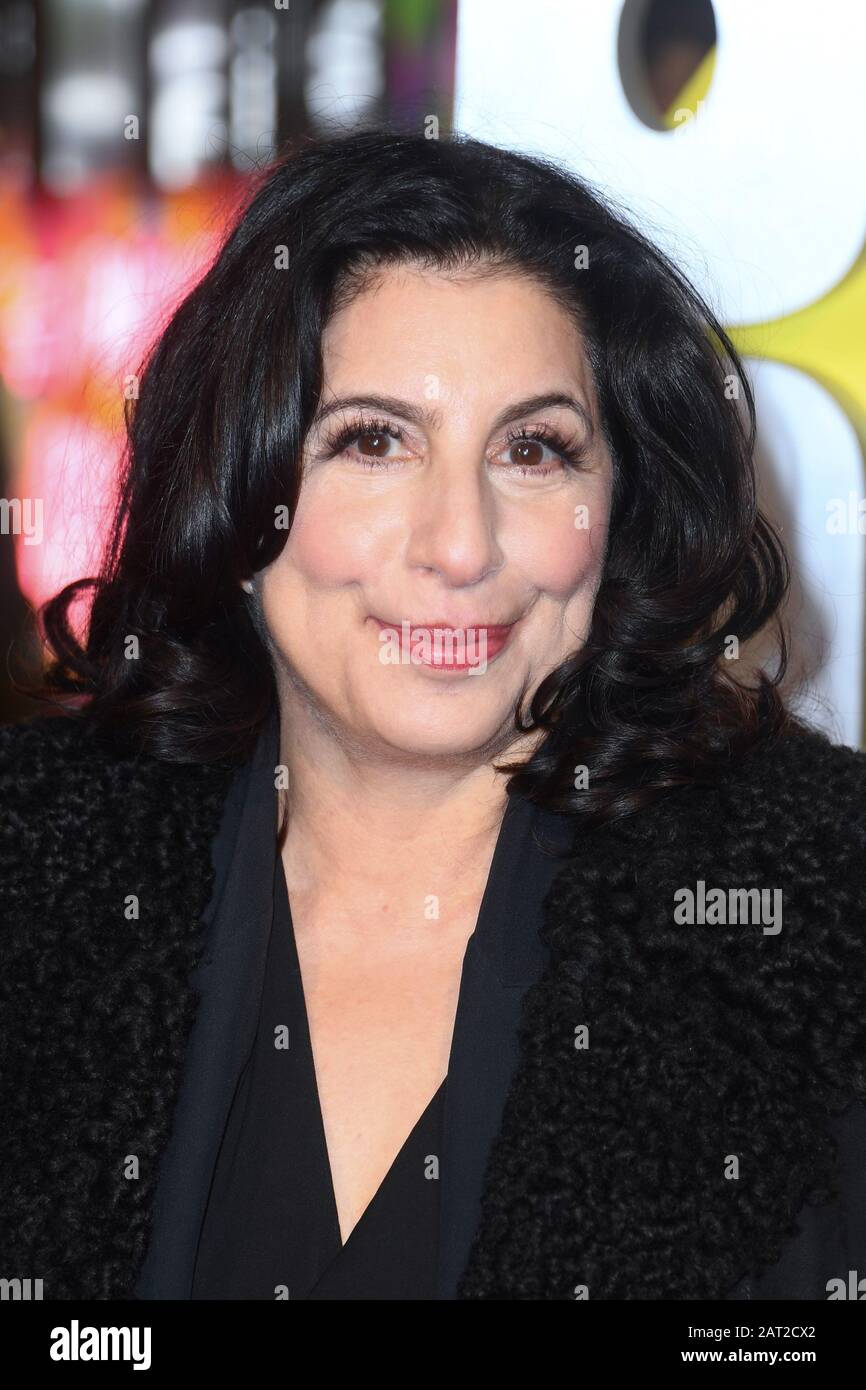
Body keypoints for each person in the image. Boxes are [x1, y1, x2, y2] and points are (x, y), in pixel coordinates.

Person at [2, 127, 865, 1302]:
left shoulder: (810, 925)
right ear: (239, 484)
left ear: (618, 509)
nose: (458, 546)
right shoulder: (39, 878)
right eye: (371, 440)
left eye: (532, 450)